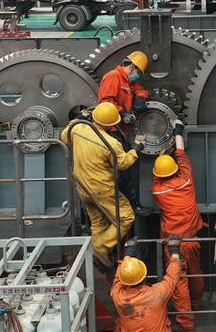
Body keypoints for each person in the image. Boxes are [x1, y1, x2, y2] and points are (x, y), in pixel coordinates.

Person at [61, 102, 145, 268]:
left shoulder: (77, 129)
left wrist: (79, 119)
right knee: (126, 217)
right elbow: (122, 163)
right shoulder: (110, 143)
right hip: (102, 189)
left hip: (83, 188)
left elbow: (64, 135)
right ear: (112, 124)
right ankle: (100, 247)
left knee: (98, 221)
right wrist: (136, 149)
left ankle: (96, 254)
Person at [151, 122, 204, 330]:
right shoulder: (186, 180)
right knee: (196, 274)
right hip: (191, 240)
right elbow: (181, 154)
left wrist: (161, 151)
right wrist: (178, 131)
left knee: (179, 281)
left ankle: (186, 323)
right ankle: (196, 305)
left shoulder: (157, 190)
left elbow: (157, 176)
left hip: (173, 244)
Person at [99, 51, 152, 215]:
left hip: (122, 130)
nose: (138, 75)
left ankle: (131, 206)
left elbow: (141, 90)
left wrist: (140, 98)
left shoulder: (128, 81)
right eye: (138, 72)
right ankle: (128, 207)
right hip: (112, 130)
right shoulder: (113, 77)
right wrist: (122, 113)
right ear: (131, 66)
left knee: (125, 170)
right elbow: (105, 101)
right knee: (121, 171)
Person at [112, 237, 184, 332]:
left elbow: (118, 277)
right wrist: (174, 251)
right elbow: (173, 275)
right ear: (145, 277)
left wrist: (128, 253)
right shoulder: (157, 293)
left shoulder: (118, 296)